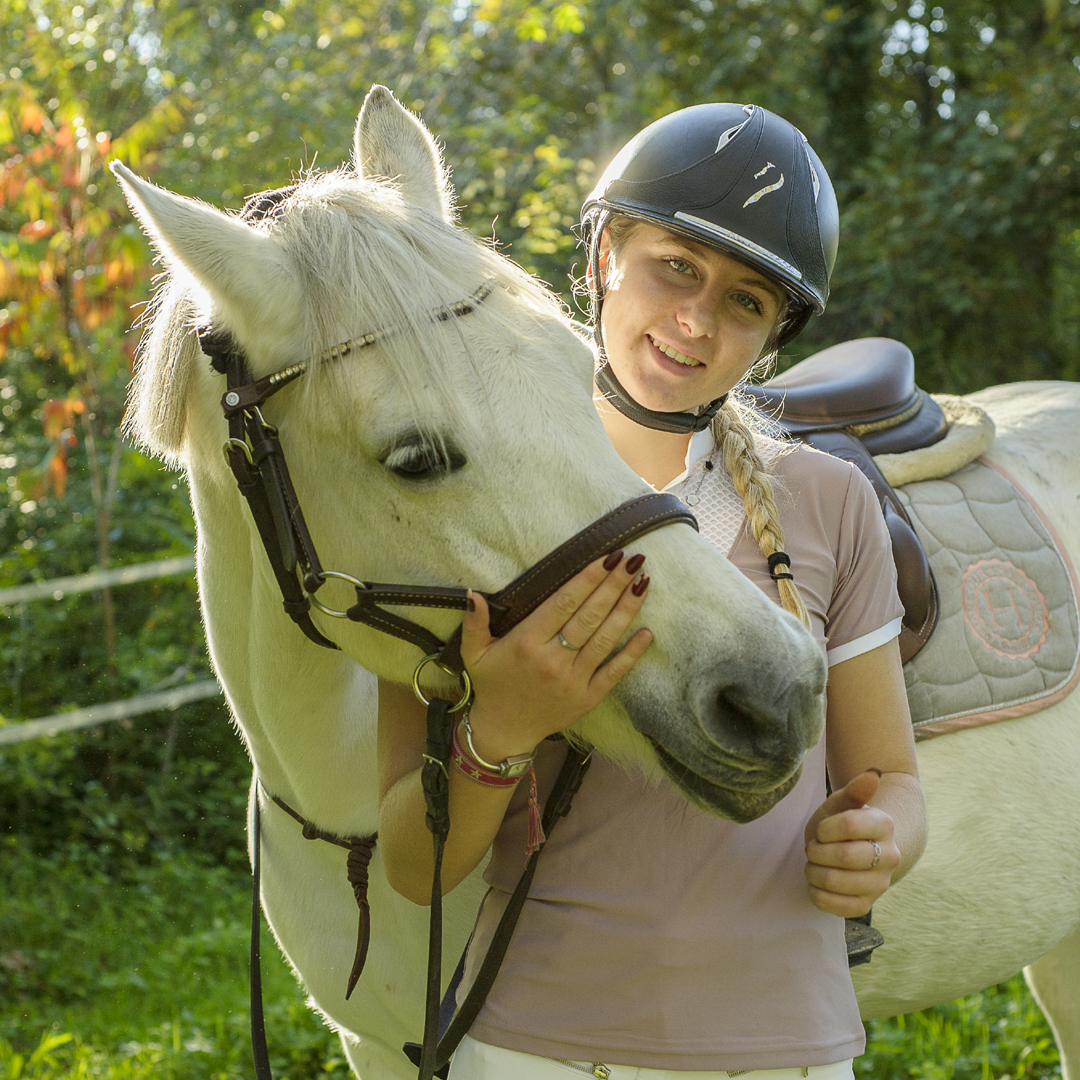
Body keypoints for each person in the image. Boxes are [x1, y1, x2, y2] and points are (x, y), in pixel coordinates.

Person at [377, 103, 928, 1080]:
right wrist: (500, 725)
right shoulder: (468, 496)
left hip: (788, 1051)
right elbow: (417, 872)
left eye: (746, 302)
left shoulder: (830, 503)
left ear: (770, 338)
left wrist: (885, 839)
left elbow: (893, 780)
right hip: (535, 1048)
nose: (695, 322)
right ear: (602, 257)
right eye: (676, 266)